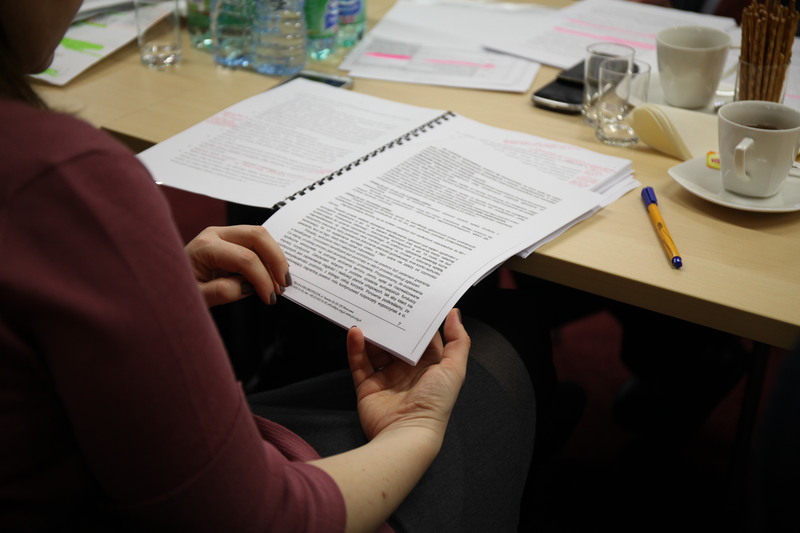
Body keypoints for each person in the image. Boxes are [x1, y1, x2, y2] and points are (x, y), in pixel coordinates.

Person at [0, 2, 539, 531]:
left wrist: (141, 287)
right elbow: (258, 516)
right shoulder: (60, 175)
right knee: (507, 334)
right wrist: (415, 428)